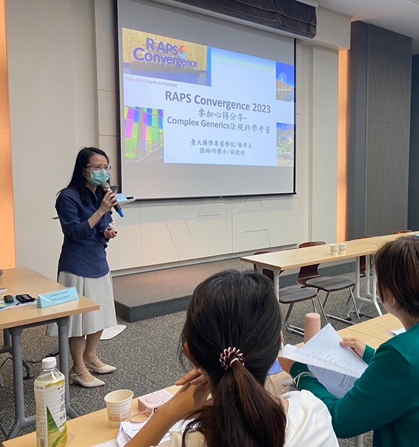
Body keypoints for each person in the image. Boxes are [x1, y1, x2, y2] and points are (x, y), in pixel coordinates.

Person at [280, 236, 419, 446]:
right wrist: (372, 355)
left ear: (387, 293)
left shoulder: (402, 355)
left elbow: (340, 421)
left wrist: (301, 372)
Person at [127, 270, 338, 447]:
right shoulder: (312, 415)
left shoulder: (184, 442)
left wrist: (168, 412)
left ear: (190, 354)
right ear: (279, 342)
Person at [52, 147, 119, 388]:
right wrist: (101, 210)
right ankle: (78, 368)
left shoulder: (100, 193)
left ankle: (91, 356)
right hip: (77, 264)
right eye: (97, 167)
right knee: (78, 320)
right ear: (84, 170)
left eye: (106, 167)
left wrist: (107, 231)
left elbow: (102, 225)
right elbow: (75, 232)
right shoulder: (67, 197)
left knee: (98, 314)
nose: (103, 172)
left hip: (98, 261)